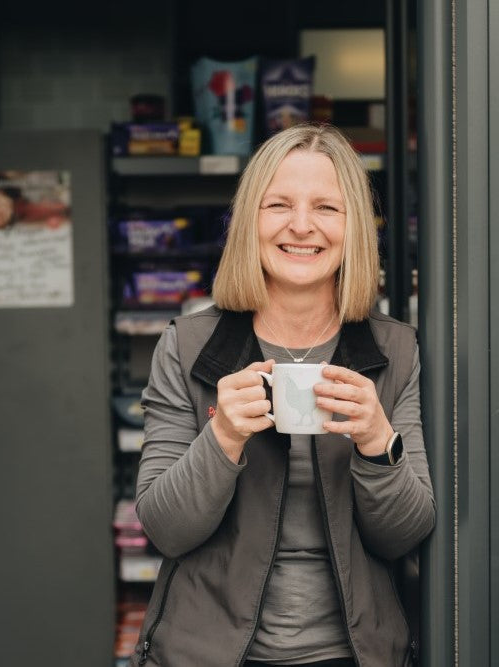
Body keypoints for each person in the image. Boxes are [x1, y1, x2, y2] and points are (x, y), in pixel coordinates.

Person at [130, 124, 435, 667]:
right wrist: (221, 436)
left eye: (326, 208)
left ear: (355, 228)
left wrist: (376, 440)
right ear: (251, 219)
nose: (301, 226)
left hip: (355, 655)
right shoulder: (187, 346)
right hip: (208, 655)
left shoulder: (397, 352)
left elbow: (403, 537)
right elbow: (165, 529)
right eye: (279, 205)